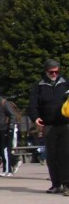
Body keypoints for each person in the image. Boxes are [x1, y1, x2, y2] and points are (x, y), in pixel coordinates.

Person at [27, 59, 69, 194]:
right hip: (49, 125)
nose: (55, 74)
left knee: (65, 154)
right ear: (46, 71)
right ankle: (56, 184)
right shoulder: (39, 86)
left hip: (65, 124)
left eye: (57, 71)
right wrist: (35, 117)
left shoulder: (66, 83)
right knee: (51, 155)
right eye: (52, 72)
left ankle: (67, 184)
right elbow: (32, 104)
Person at [0, 92, 19, 177]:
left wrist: (10, 127)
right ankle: (14, 161)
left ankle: (7, 170)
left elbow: (12, 115)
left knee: (5, 149)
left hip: (5, 129)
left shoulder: (3, 102)